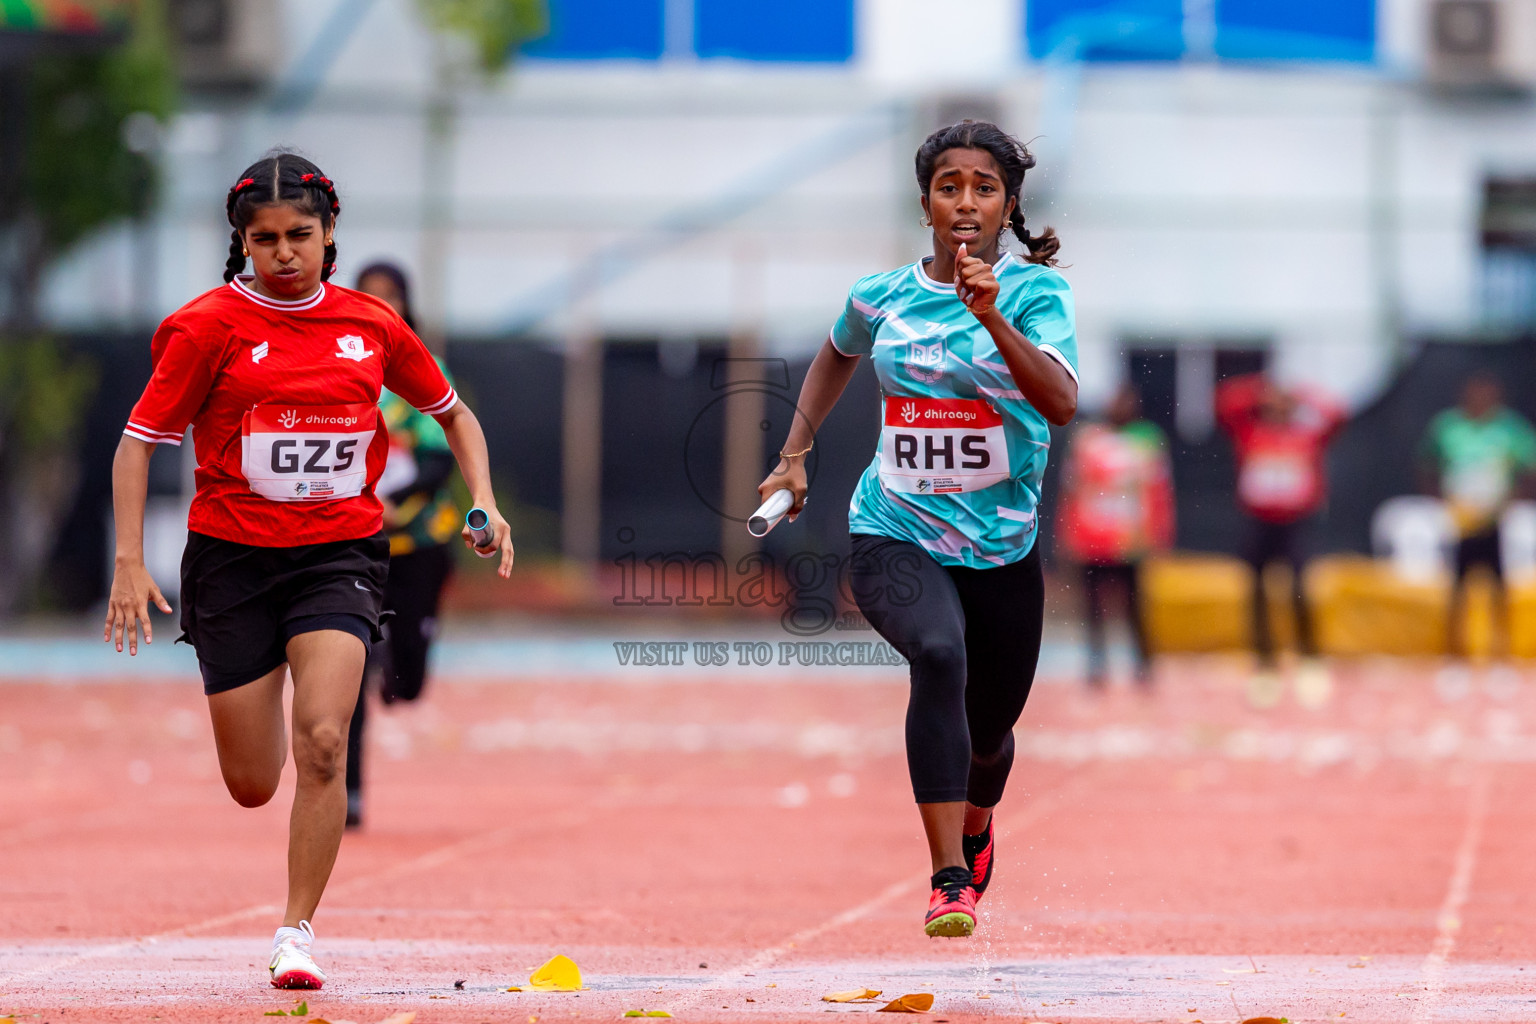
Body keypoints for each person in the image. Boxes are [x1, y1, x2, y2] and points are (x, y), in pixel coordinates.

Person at [105, 152, 514, 990]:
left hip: (340, 553)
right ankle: (270, 787)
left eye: (300, 235)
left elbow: (454, 414)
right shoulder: (206, 327)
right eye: (264, 239)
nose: (284, 253)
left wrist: (486, 501)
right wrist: (126, 562)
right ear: (242, 243)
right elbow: (138, 441)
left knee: (325, 739)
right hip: (233, 561)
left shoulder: (372, 325)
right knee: (254, 783)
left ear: (331, 235)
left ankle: (296, 933)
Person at [760, 120, 1076, 938]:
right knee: (938, 655)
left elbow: (1062, 403)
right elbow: (836, 352)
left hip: (1002, 546)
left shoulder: (1038, 295)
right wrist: (795, 454)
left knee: (991, 733)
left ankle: (977, 824)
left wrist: (995, 317)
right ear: (926, 200)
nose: (964, 201)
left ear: (1008, 204)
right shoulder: (881, 296)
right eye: (948, 186)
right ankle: (947, 878)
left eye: (983, 187)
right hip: (893, 527)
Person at [343, 262, 460, 829]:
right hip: (351, 545)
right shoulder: (333, 367)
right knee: (343, 676)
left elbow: (440, 458)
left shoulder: (421, 370)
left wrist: (397, 503)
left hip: (420, 542)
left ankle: (399, 669)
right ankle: (348, 794)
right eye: (371, 296)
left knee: (406, 682)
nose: (382, 305)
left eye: (392, 296)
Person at [1215, 371, 1343, 694]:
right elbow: (1224, 403)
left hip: (1295, 523)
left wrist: (1302, 392)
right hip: (1258, 522)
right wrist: (1261, 389)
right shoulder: (1250, 431)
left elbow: (1337, 414)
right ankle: (1265, 660)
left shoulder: (1307, 434)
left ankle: (1309, 657)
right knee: (1257, 592)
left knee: (1300, 589)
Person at [1058, 383, 1174, 688]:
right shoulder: (1087, 440)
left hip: (1131, 540)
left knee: (1136, 606)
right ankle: (1097, 666)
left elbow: (1160, 492)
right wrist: (1068, 533)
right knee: (1093, 606)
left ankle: (1143, 665)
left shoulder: (1148, 439)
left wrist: (1160, 533)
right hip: (1093, 538)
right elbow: (1072, 489)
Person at [1419, 371, 1536, 657]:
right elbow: (1427, 464)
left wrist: (1509, 502)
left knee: (1499, 591)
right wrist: (1443, 503)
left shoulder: (1510, 428)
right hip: (1461, 522)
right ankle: (1454, 654)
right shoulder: (1448, 427)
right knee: (1456, 591)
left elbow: (1529, 469)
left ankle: (1502, 654)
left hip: (1494, 522)